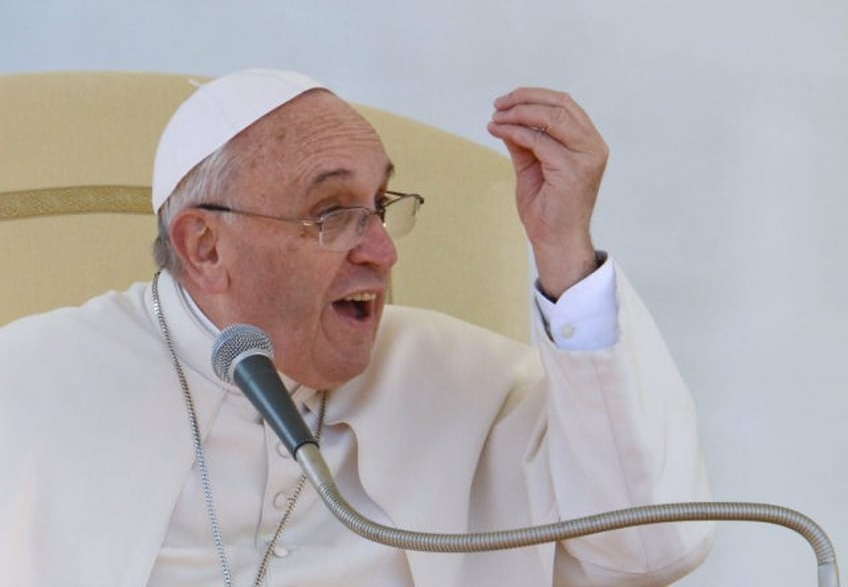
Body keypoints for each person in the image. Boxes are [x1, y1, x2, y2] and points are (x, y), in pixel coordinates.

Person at [0, 69, 713, 586]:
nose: (382, 250)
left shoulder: (468, 384)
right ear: (204, 248)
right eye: (333, 212)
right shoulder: (29, 382)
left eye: (380, 205)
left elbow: (652, 550)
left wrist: (565, 252)